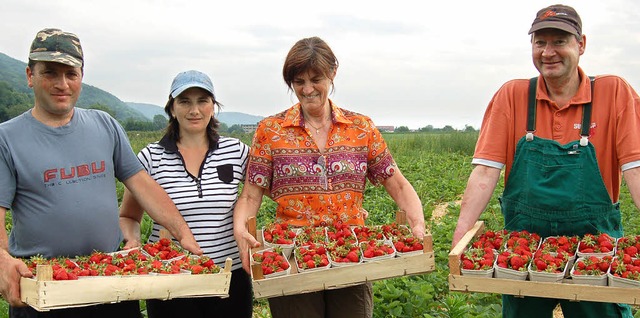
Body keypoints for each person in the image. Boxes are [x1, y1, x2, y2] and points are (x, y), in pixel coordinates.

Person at [452, 4, 640, 318]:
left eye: (559, 41)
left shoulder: (613, 93)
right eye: (540, 43)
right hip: (522, 248)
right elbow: (485, 171)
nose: (548, 52)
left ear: (581, 45)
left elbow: (636, 170)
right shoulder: (512, 95)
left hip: (596, 246)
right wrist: (460, 235)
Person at [0, 28, 202, 318]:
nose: (62, 84)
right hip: (43, 289)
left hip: (110, 284)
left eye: (71, 74)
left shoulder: (104, 125)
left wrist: (183, 233)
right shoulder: (7, 139)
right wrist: (2, 260)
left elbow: (142, 184)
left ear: (82, 76)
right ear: (30, 76)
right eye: (50, 73)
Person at [233, 36, 426, 318]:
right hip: (293, 257)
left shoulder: (360, 127)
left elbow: (395, 181)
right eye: (298, 82)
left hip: (351, 252)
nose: (307, 89)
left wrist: (417, 222)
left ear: (332, 72)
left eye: (316, 79)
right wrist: (241, 230)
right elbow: (251, 194)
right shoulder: (270, 130)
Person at [119, 70, 253, 318]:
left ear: (213, 106)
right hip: (171, 277)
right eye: (184, 101)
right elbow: (129, 216)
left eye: (202, 101)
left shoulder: (236, 151)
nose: (194, 110)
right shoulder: (151, 157)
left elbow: (257, 193)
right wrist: (132, 240)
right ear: (172, 108)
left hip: (229, 274)